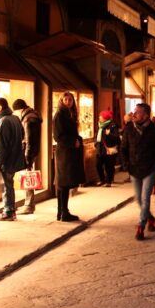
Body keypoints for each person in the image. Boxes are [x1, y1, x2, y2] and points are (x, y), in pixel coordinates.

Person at [121, 103, 155, 240]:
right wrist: (125, 164)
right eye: (134, 111)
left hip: (150, 168)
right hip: (134, 168)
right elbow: (123, 148)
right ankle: (150, 217)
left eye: (138, 112)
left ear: (146, 115)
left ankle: (141, 226)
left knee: (145, 198)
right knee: (138, 199)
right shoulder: (129, 128)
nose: (134, 114)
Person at [53, 92, 84, 222]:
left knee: (63, 183)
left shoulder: (70, 114)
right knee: (63, 183)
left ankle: (62, 212)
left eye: (70, 99)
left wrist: (77, 139)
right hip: (64, 152)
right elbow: (58, 136)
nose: (68, 101)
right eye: (65, 99)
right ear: (61, 100)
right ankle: (63, 213)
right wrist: (73, 141)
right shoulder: (60, 115)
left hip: (69, 152)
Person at [0, 97, 25, 221]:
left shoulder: (3, 121)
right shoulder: (15, 118)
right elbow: (22, 135)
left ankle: (8, 211)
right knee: (9, 184)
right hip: (15, 157)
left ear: (0, 107)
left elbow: (1, 144)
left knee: (7, 185)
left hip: (7, 159)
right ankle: (11, 210)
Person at [12, 99, 42, 213]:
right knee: (28, 176)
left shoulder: (28, 119)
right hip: (33, 150)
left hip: (28, 151)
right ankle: (29, 204)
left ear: (20, 109)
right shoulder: (33, 116)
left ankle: (29, 204)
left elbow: (28, 139)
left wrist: (27, 155)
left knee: (27, 177)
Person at [95, 110, 120, 187]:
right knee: (98, 165)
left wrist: (109, 134)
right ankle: (102, 179)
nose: (99, 117)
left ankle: (108, 181)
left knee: (109, 166)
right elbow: (98, 135)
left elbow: (116, 137)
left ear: (105, 118)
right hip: (100, 148)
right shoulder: (100, 125)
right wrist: (96, 143)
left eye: (101, 116)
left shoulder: (112, 125)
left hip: (108, 148)